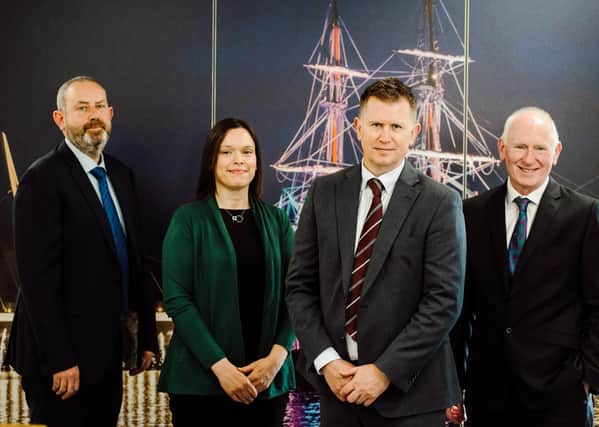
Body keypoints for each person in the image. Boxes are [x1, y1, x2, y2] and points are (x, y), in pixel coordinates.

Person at [285, 77, 466, 426]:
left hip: (411, 398)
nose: (385, 136)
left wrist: (384, 371)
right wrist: (326, 360)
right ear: (358, 128)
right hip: (337, 391)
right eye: (376, 125)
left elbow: (444, 301)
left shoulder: (440, 202)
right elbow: (299, 287)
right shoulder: (324, 193)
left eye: (396, 126)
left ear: (413, 132)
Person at [449, 107, 599, 427]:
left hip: (561, 399)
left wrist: (586, 380)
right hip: (487, 398)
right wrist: (454, 385)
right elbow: (460, 310)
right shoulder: (471, 213)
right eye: (519, 147)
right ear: (501, 149)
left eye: (540, 148)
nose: (529, 158)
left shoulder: (584, 215)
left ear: (556, 153)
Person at [5, 76, 158, 427]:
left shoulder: (121, 175)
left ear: (111, 113)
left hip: (107, 352)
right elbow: (36, 281)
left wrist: (146, 335)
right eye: (82, 107)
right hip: (61, 363)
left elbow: (133, 261)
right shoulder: (40, 180)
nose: (94, 115)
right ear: (60, 119)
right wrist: (59, 358)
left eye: (100, 106)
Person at [158, 118, 296, 426]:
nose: (238, 160)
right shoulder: (188, 220)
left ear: (257, 162)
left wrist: (276, 359)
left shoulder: (277, 222)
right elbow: (178, 299)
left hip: (267, 384)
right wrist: (220, 367)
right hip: (200, 386)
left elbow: (297, 294)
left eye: (247, 152)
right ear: (211, 161)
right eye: (227, 152)